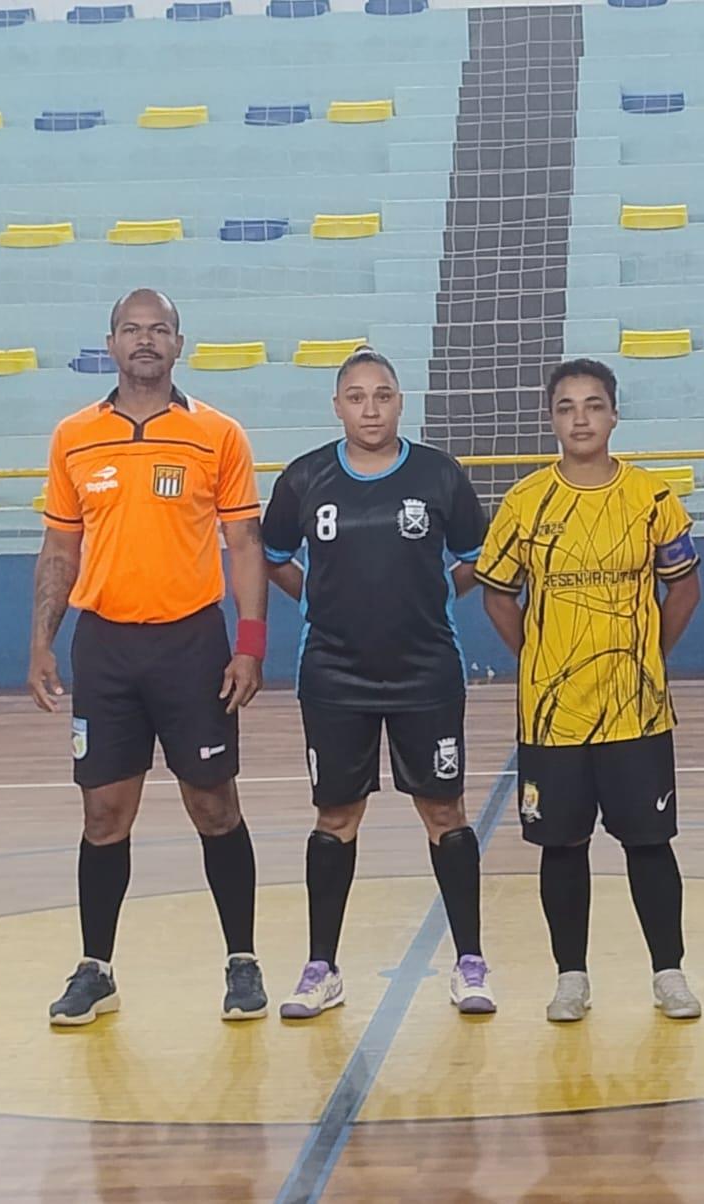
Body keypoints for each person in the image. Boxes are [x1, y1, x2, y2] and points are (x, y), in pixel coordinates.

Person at [29, 288, 269, 1026]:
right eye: (132, 330)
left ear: (178, 343)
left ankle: (242, 960)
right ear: (111, 344)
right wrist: (42, 637)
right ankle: (95, 968)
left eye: (158, 329)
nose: (144, 341)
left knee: (213, 804)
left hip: (191, 644)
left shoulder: (217, 435)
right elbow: (61, 545)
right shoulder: (74, 436)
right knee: (105, 813)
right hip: (104, 646)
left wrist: (250, 643)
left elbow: (245, 544)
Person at [261, 347, 496, 1018]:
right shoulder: (305, 479)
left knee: (444, 812)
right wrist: (319, 601)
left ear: (401, 402)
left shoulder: (438, 475)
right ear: (337, 406)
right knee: (335, 815)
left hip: (426, 671)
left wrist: (434, 597)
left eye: (383, 395)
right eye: (357, 396)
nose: (370, 408)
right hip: (334, 674)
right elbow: (275, 557)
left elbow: (476, 558)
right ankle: (321, 968)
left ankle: (471, 963)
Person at [476, 358, 704, 1022]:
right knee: (562, 845)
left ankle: (669, 972)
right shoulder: (524, 502)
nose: (581, 417)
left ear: (613, 416)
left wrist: (648, 656)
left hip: (637, 710)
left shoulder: (654, 499)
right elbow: (497, 593)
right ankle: (570, 976)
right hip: (555, 717)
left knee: (649, 843)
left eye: (594, 405)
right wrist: (539, 658)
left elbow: (684, 587)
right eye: (567, 406)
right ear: (552, 419)